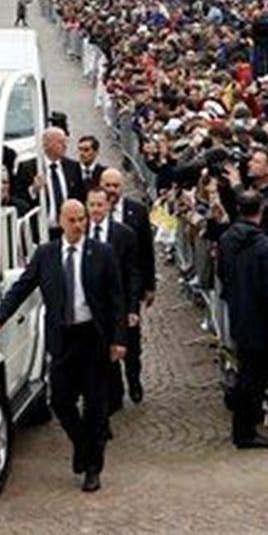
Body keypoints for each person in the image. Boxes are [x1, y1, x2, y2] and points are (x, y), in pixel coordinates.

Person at [0, 199, 126, 492]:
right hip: (63, 339)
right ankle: (81, 444)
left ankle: (93, 468)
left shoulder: (102, 254)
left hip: (93, 338)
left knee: (96, 409)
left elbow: (116, 300)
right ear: (61, 220)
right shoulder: (46, 255)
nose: (78, 224)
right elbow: (22, 287)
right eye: (72, 220)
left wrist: (119, 339)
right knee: (61, 401)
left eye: (82, 219)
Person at [217, 189, 268, 450]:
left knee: (245, 373)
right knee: (254, 378)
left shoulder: (227, 238)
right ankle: (246, 431)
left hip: (238, 312)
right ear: (260, 211)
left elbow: (221, 272)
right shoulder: (265, 246)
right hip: (261, 320)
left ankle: (243, 427)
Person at [84, 187, 142, 414]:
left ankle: (134, 382)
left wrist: (132, 307)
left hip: (121, 303)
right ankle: (111, 395)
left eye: (100, 205)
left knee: (130, 348)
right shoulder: (82, 232)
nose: (96, 210)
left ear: (108, 206)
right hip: (95, 307)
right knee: (102, 352)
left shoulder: (124, 234)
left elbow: (133, 272)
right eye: (92, 205)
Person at [101, 167, 155, 404]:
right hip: (102, 291)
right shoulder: (93, 212)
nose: (112, 191)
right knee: (106, 341)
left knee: (131, 341)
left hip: (128, 289)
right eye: (107, 186)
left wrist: (149, 285)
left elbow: (146, 251)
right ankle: (114, 388)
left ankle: (134, 379)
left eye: (116, 186)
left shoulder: (137, 211)